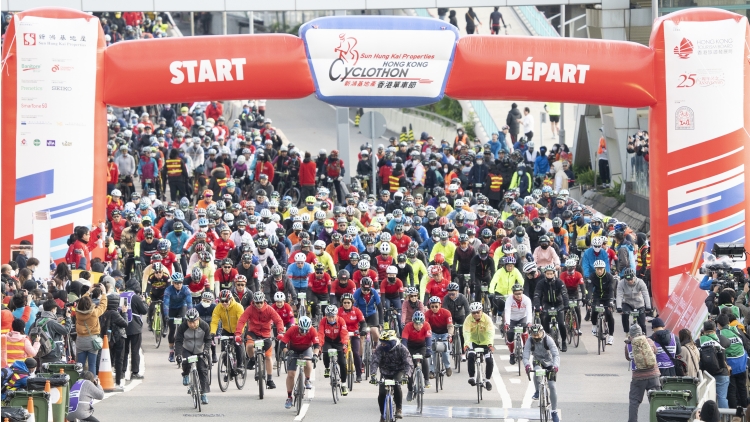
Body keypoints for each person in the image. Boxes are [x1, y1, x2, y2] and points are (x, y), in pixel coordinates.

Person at [235, 291, 285, 389]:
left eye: (261, 302)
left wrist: (280, 332)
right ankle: (252, 359)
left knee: (268, 357)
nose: (259, 305)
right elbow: (242, 320)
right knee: (249, 346)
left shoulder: (269, 309)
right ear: (253, 302)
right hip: (253, 332)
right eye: (257, 303)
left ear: (264, 301)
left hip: (266, 334)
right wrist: (238, 334)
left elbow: (278, 321)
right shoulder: (249, 309)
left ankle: (270, 379)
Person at [370, 330, 414, 421]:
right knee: (381, 393)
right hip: (385, 372)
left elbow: (408, 363)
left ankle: (398, 409)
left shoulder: (402, 349)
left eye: (385, 343)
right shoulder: (380, 348)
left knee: (397, 385)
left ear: (392, 342)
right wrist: (373, 374)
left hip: (398, 371)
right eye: (381, 343)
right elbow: (375, 361)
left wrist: (406, 376)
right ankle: (383, 414)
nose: (382, 345)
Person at [280, 316, 320, 409]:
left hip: (306, 349)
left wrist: (315, 355)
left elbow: (316, 345)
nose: (304, 333)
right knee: (290, 375)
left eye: (306, 330)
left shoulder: (313, 330)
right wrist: (287, 352)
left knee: (307, 361)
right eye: (302, 330)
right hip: (293, 350)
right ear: (299, 327)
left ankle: (307, 379)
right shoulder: (292, 329)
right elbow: (282, 344)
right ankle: (289, 397)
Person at [523, 324, 561, 422]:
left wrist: (555, 366)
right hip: (538, 361)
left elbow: (556, 354)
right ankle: (537, 391)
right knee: (537, 372)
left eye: (537, 334)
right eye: (533, 335)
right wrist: (527, 365)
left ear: (542, 332)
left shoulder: (548, 339)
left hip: (549, 362)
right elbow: (525, 355)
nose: (536, 337)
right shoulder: (529, 341)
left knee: (552, 386)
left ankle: (554, 411)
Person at [175, 308, 212, 405]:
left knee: (202, 369)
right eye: (189, 322)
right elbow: (178, 341)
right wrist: (178, 354)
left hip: (200, 350)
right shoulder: (182, 327)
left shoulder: (204, 326)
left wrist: (206, 350)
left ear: (198, 319)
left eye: (194, 322)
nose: (192, 324)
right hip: (187, 348)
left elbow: (208, 340)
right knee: (186, 361)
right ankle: (186, 374)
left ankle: (203, 393)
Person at [625, 323, 661, 422]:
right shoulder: (649, 341)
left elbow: (628, 357)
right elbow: (656, 351)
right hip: (654, 376)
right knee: (656, 402)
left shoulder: (628, 346)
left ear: (631, 335)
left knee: (634, 402)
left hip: (638, 378)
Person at [533, 265, 569, 352]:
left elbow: (564, 294)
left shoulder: (559, 282)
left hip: (558, 304)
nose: (549, 275)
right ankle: (546, 341)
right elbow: (537, 295)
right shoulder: (541, 283)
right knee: (545, 322)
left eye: (551, 274)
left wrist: (566, 304)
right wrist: (537, 306)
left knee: (561, 324)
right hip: (547, 304)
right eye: (547, 274)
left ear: (554, 274)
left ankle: (563, 341)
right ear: (545, 274)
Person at [716, 314, 747, 409]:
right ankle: (746, 411)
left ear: (718, 324)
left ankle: (733, 415)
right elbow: (745, 342)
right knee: (742, 388)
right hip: (742, 364)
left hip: (730, 367)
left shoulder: (719, 334)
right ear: (728, 322)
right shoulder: (736, 329)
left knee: (732, 391)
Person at [698, 320, 730, 408]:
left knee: (708, 399)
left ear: (703, 330)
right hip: (721, 372)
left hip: (706, 375)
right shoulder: (720, 338)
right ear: (715, 329)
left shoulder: (699, 341)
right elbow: (729, 343)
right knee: (722, 398)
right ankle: (724, 418)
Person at [75, 286, 108, 372]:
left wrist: (88, 292)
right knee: (92, 365)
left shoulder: (77, 312)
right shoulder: (94, 313)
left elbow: (81, 301)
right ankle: (91, 383)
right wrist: (104, 292)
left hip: (80, 340)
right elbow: (103, 305)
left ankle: (79, 383)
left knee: (80, 365)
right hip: (92, 341)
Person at [319, 305, 350, 396]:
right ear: (326, 316)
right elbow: (320, 333)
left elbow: (344, 333)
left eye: (333, 316)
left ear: (336, 315)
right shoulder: (323, 321)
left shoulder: (341, 320)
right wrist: (319, 345)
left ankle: (343, 384)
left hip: (339, 341)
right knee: (325, 353)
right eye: (329, 316)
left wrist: (344, 344)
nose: (331, 318)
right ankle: (327, 368)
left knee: (343, 363)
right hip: (328, 340)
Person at [121, 277, 148, 379]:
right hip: (135, 327)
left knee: (124, 350)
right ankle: (134, 372)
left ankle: (122, 371)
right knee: (135, 350)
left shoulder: (122, 295)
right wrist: (144, 302)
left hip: (123, 325)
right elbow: (144, 310)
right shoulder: (135, 297)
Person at [401, 311, 433, 395]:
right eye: (416, 324)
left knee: (424, 359)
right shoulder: (408, 326)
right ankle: (410, 390)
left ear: (423, 323)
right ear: (413, 322)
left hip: (421, 346)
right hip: (410, 347)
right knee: (410, 366)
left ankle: (426, 380)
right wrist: (405, 353)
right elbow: (404, 341)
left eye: (420, 324)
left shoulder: (427, 325)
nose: (418, 326)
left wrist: (429, 350)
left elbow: (429, 340)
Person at [164, 273, 192, 363]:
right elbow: (166, 304)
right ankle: (171, 351)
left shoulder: (186, 290)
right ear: (173, 283)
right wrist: (166, 315)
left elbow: (189, 304)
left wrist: (190, 314)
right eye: (176, 283)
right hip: (171, 308)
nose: (178, 285)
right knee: (171, 330)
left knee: (183, 327)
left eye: (180, 283)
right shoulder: (168, 290)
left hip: (181, 307)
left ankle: (182, 346)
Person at [616, 268, 650, 336]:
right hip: (627, 302)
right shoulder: (621, 283)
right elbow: (619, 295)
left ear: (634, 277)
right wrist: (618, 307)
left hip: (639, 303)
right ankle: (627, 332)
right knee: (624, 314)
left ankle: (645, 337)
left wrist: (648, 306)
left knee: (642, 323)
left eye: (631, 279)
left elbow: (645, 294)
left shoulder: (640, 282)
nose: (630, 281)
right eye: (628, 280)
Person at [504, 284, 532, 365]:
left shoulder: (526, 299)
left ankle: (525, 348)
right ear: (513, 293)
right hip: (512, 319)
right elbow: (507, 311)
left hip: (522, 318)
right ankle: (512, 354)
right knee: (510, 335)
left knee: (524, 330)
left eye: (520, 293)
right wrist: (507, 323)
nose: (518, 295)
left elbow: (529, 312)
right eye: (516, 294)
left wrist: (529, 322)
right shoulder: (509, 300)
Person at [590, 259, 615, 345]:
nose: (599, 271)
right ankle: (594, 326)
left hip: (607, 297)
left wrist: (611, 300)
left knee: (608, 314)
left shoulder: (609, 277)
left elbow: (612, 289)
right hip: (597, 297)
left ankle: (611, 336)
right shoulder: (592, 276)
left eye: (601, 269)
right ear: (595, 269)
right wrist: (589, 299)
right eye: (597, 269)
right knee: (594, 311)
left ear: (604, 268)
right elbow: (589, 289)